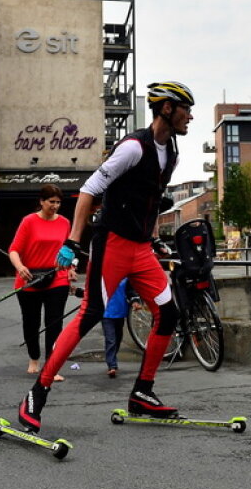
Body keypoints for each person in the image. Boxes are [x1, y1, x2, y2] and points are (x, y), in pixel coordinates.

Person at [17, 81, 194, 432]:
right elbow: (88, 191)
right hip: (111, 243)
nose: (191, 116)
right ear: (167, 109)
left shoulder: (171, 153)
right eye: (186, 109)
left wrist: (155, 237)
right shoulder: (132, 148)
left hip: (141, 249)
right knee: (89, 315)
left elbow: (150, 201)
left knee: (169, 312)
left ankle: (142, 392)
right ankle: (37, 394)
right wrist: (71, 243)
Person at [9, 184, 77, 380]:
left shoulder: (64, 222)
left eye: (58, 202)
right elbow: (13, 250)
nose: (55, 206)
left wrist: (71, 268)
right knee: (31, 323)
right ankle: (34, 358)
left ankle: (51, 365)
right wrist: (20, 267)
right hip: (29, 278)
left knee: (54, 323)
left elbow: (68, 251)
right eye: (51, 202)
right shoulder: (29, 221)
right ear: (41, 201)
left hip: (56, 277)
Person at [102, 278, 129, 378]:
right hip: (106, 313)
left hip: (120, 312)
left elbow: (130, 290)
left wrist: (135, 300)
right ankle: (112, 365)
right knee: (111, 339)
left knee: (118, 338)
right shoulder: (102, 277)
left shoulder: (125, 277)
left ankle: (112, 357)